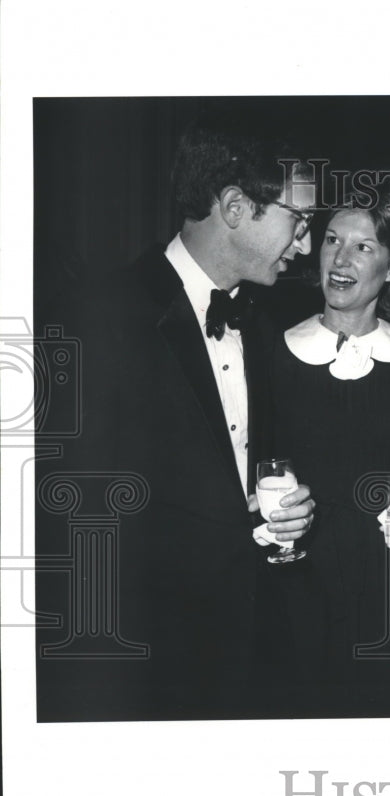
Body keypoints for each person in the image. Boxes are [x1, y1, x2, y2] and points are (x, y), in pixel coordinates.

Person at [35, 113, 317, 721]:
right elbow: (74, 526)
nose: (307, 246)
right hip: (149, 674)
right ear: (237, 207)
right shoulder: (95, 317)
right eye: (299, 222)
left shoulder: (262, 324)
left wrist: (278, 519)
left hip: (247, 661)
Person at [268, 200, 390, 717]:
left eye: (362, 246)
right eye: (331, 240)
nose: (340, 258)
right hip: (297, 582)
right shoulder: (272, 353)